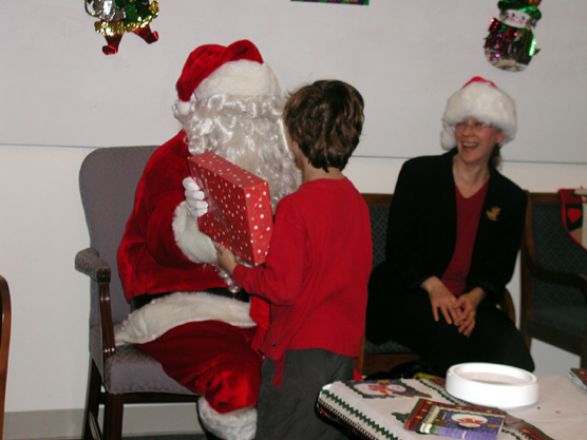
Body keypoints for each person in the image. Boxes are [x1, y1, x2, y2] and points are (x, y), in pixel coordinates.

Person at [114, 40, 300, 440]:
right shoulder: (171, 160)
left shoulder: (282, 167)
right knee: (238, 377)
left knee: (312, 366)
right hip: (184, 306)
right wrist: (193, 224)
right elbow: (159, 238)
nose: (250, 123)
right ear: (205, 110)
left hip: (260, 307)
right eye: (236, 111)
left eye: (259, 112)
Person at [216, 80, 372, 439]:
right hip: (343, 352)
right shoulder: (357, 204)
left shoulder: (295, 207)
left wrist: (236, 269)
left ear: (295, 142)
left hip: (298, 355)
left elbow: (281, 288)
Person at [366, 76, 534, 376]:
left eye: (479, 124)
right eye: (462, 123)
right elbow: (399, 249)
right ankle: (414, 384)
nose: (468, 133)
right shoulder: (418, 174)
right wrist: (434, 287)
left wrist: (474, 298)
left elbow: (499, 270)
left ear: (499, 135)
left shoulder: (511, 198)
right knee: (455, 345)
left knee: (517, 361)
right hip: (409, 293)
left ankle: (421, 375)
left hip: (468, 304)